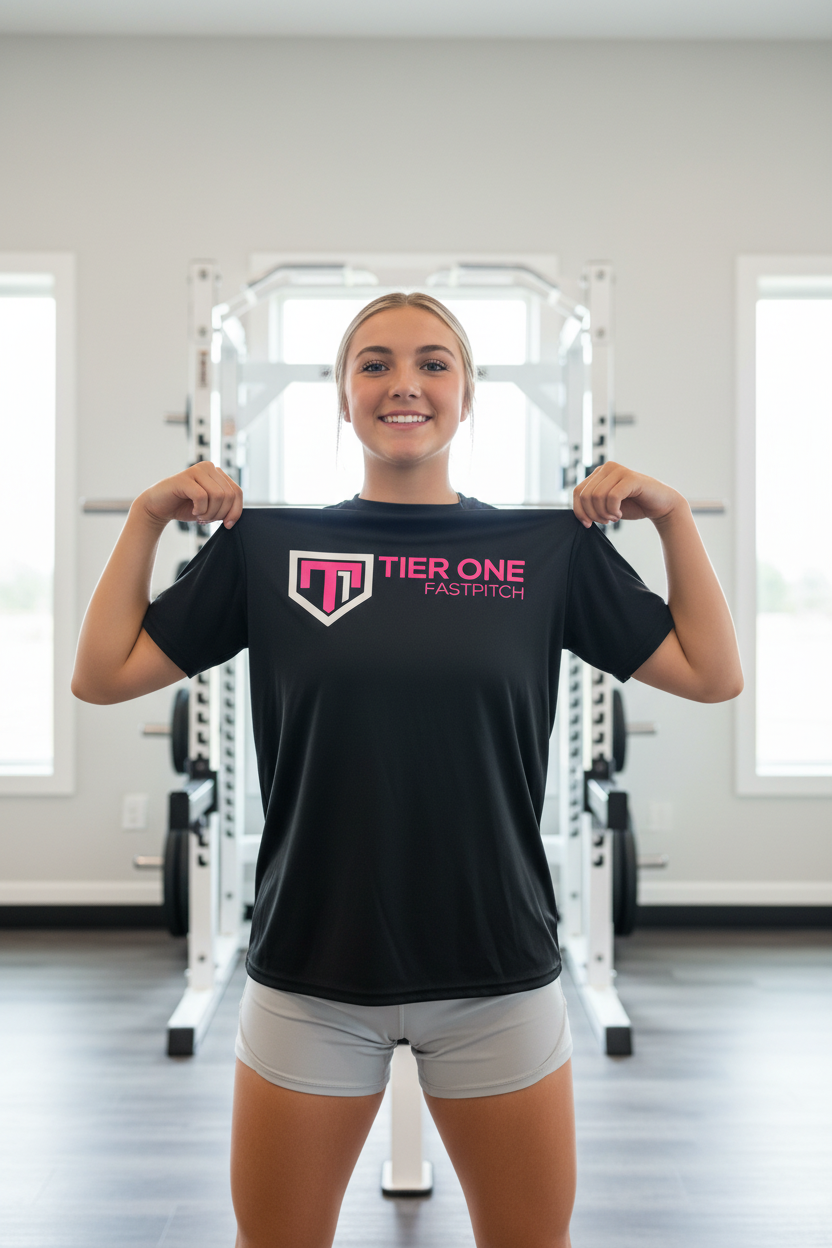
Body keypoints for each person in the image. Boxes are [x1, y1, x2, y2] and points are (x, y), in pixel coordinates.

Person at [72, 291, 743, 1248]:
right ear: (342, 397)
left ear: (467, 396)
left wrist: (673, 517)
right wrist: (144, 518)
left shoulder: (541, 554)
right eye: (374, 363)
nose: (405, 384)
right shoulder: (271, 549)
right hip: (312, 971)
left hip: (496, 972)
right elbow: (101, 676)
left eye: (434, 363)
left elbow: (713, 675)